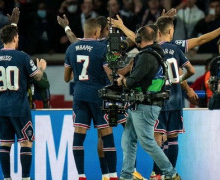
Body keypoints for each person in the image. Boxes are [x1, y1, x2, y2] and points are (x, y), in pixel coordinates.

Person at [115, 26, 182, 180]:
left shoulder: (146, 56)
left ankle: (171, 174)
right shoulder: (156, 52)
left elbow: (132, 81)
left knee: (147, 142)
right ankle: (126, 175)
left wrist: (122, 80)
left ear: (139, 39)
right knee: (129, 138)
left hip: (145, 104)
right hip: (142, 103)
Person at [0, 25, 47, 180]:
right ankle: (25, 178)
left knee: (5, 144)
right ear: (14, 38)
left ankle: (7, 178)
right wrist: (41, 68)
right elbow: (38, 78)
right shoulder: (23, 57)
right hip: (19, 107)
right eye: (17, 37)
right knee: (26, 142)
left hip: (1, 108)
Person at [64, 18, 118, 180]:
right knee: (106, 133)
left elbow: (67, 78)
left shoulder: (71, 49)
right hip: (98, 95)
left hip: (79, 95)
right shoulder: (102, 48)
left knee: (79, 134)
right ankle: (113, 176)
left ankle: (81, 175)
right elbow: (110, 75)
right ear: (97, 32)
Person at [152, 17, 197, 180]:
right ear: (170, 31)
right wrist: (179, 78)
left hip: (157, 99)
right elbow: (191, 71)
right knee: (173, 138)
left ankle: (156, 174)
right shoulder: (176, 49)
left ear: (157, 32)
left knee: (158, 137)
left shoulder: (152, 49)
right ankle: (170, 175)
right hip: (176, 98)